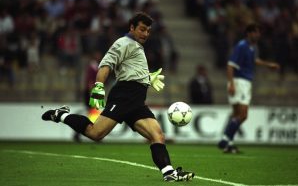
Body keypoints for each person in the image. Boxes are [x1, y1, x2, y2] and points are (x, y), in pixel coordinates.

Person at [42, 12, 195, 182]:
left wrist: (147, 78)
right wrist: (99, 85)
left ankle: (169, 173)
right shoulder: (123, 43)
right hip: (123, 97)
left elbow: (130, 70)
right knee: (95, 133)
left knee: (157, 135)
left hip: (136, 100)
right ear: (132, 28)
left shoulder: (136, 46)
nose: (145, 34)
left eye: (148, 31)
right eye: (142, 29)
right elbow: (106, 65)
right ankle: (61, 115)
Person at [218, 23, 280, 154]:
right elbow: (230, 65)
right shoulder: (242, 46)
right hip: (240, 82)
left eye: (259, 32)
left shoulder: (253, 47)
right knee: (243, 115)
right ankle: (225, 138)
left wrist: (268, 65)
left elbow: (254, 60)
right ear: (248, 33)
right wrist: (231, 84)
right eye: (255, 32)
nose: (258, 34)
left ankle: (229, 143)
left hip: (243, 82)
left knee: (236, 114)